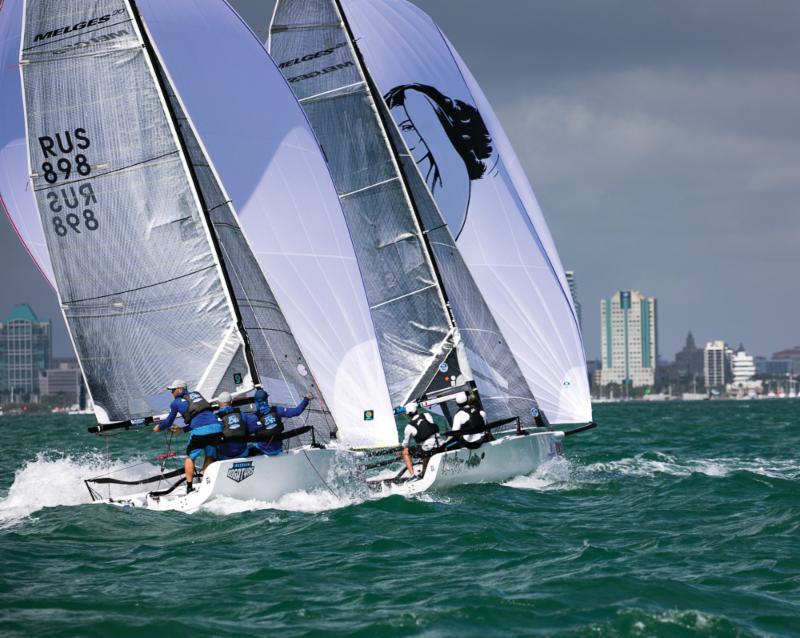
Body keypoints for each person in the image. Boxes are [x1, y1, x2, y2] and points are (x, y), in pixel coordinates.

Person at [152, 379, 221, 493]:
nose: (171, 393)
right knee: (209, 456)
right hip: (216, 428)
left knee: (190, 457)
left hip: (201, 431)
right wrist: (182, 429)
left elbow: (168, 422)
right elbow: (201, 418)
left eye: (173, 390)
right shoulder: (197, 396)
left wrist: (159, 428)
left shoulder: (176, 402)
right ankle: (205, 483)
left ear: (180, 389)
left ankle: (189, 487)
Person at [250, 387, 313, 456]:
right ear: (266, 400)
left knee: (250, 445)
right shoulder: (277, 410)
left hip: (264, 450)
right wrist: (306, 399)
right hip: (278, 448)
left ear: (256, 402)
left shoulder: (254, 417)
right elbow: (296, 412)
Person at [215, 391, 262, 460]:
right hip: (242, 453)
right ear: (231, 402)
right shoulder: (241, 414)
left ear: (219, 403)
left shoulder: (215, 417)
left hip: (224, 455)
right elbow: (253, 427)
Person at [400, 402, 440, 479]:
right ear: (417, 411)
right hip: (439, 444)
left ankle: (412, 475)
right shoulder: (427, 415)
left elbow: (405, 445)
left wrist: (399, 449)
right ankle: (424, 470)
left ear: (408, 415)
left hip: (428, 449)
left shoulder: (408, 427)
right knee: (425, 447)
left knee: (405, 452)